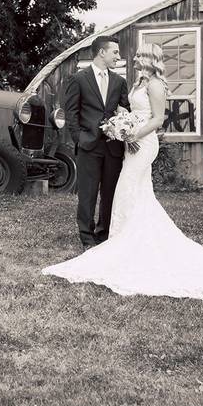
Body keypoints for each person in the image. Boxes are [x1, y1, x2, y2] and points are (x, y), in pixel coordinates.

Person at [42, 43, 203, 299]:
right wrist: (107, 129)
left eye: (134, 55)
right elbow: (115, 111)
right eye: (116, 53)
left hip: (138, 143)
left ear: (147, 59)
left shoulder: (147, 84)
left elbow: (156, 119)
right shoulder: (126, 83)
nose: (126, 58)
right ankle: (104, 238)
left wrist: (129, 133)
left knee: (121, 190)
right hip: (112, 142)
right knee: (117, 191)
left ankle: (117, 239)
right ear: (102, 52)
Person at [63, 35, 131, 250]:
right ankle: (87, 236)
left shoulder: (119, 81)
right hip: (88, 145)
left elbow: (125, 110)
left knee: (110, 192)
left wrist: (123, 128)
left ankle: (104, 233)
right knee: (88, 193)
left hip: (113, 147)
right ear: (102, 52)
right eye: (115, 53)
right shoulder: (79, 79)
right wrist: (80, 139)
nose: (118, 57)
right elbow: (71, 113)